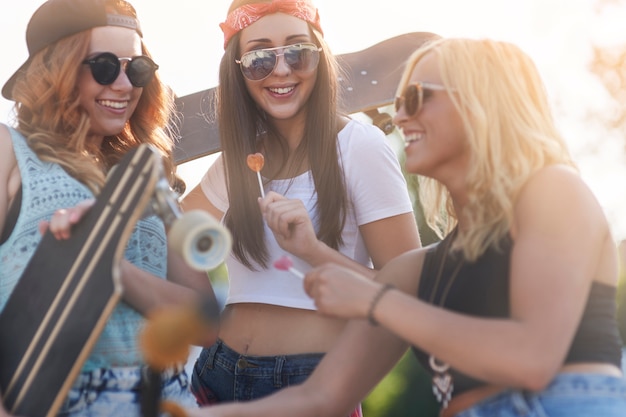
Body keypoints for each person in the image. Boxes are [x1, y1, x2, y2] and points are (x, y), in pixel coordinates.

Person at [183, 37, 626, 417]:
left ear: (482, 102)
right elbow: (320, 398)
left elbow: (532, 358)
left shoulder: (554, 191)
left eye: (416, 98)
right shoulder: (423, 269)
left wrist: (376, 300)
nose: (398, 116)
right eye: (399, 101)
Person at [181, 0, 421, 413]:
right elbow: (172, 233)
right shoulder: (240, 159)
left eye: (297, 51)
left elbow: (410, 298)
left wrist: (311, 250)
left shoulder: (359, 147)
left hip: (310, 384)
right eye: (258, 57)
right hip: (214, 374)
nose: (281, 70)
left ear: (320, 57)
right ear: (237, 71)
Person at [0, 0, 218, 415]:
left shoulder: (150, 174)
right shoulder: (10, 150)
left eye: (137, 69)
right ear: (55, 72)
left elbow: (205, 322)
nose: (124, 85)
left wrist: (115, 271)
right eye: (103, 66)